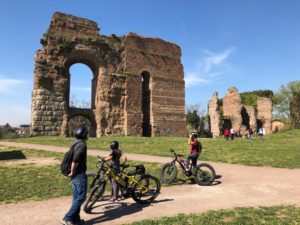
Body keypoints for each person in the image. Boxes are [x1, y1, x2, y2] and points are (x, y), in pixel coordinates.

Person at [61, 126, 89, 225]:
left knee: (76, 198)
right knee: (81, 198)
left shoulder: (75, 143)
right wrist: (73, 172)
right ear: (85, 135)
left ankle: (75, 220)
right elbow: (75, 160)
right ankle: (67, 218)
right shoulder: (81, 145)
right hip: (79, 174)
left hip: (75, 175)